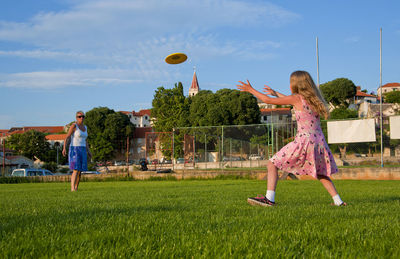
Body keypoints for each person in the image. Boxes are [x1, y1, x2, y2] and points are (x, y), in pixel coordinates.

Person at [237, 71, 346, 207]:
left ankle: (269, 199)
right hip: (318, 142)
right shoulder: (314, 99)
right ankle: (339, 202)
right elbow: (291, 101)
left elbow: (268, 101)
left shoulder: (297, 98)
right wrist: (276, 93)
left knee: (272, 164)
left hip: (303, 141)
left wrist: (250, 89)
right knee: (320, 172)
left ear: (295, 84)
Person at [62, 111, 92, 192]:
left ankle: (76, 188)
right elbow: (67, 137)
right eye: (79, 116)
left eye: (82, 116)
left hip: (82, 149)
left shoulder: (85, 127)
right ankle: (72, 189)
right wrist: (64, 148)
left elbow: (85, 141)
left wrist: (88, 151)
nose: (81, 118)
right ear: (76, 118)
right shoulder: (74, 126)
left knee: (80, 171)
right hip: (74, 149)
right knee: (75, 169)